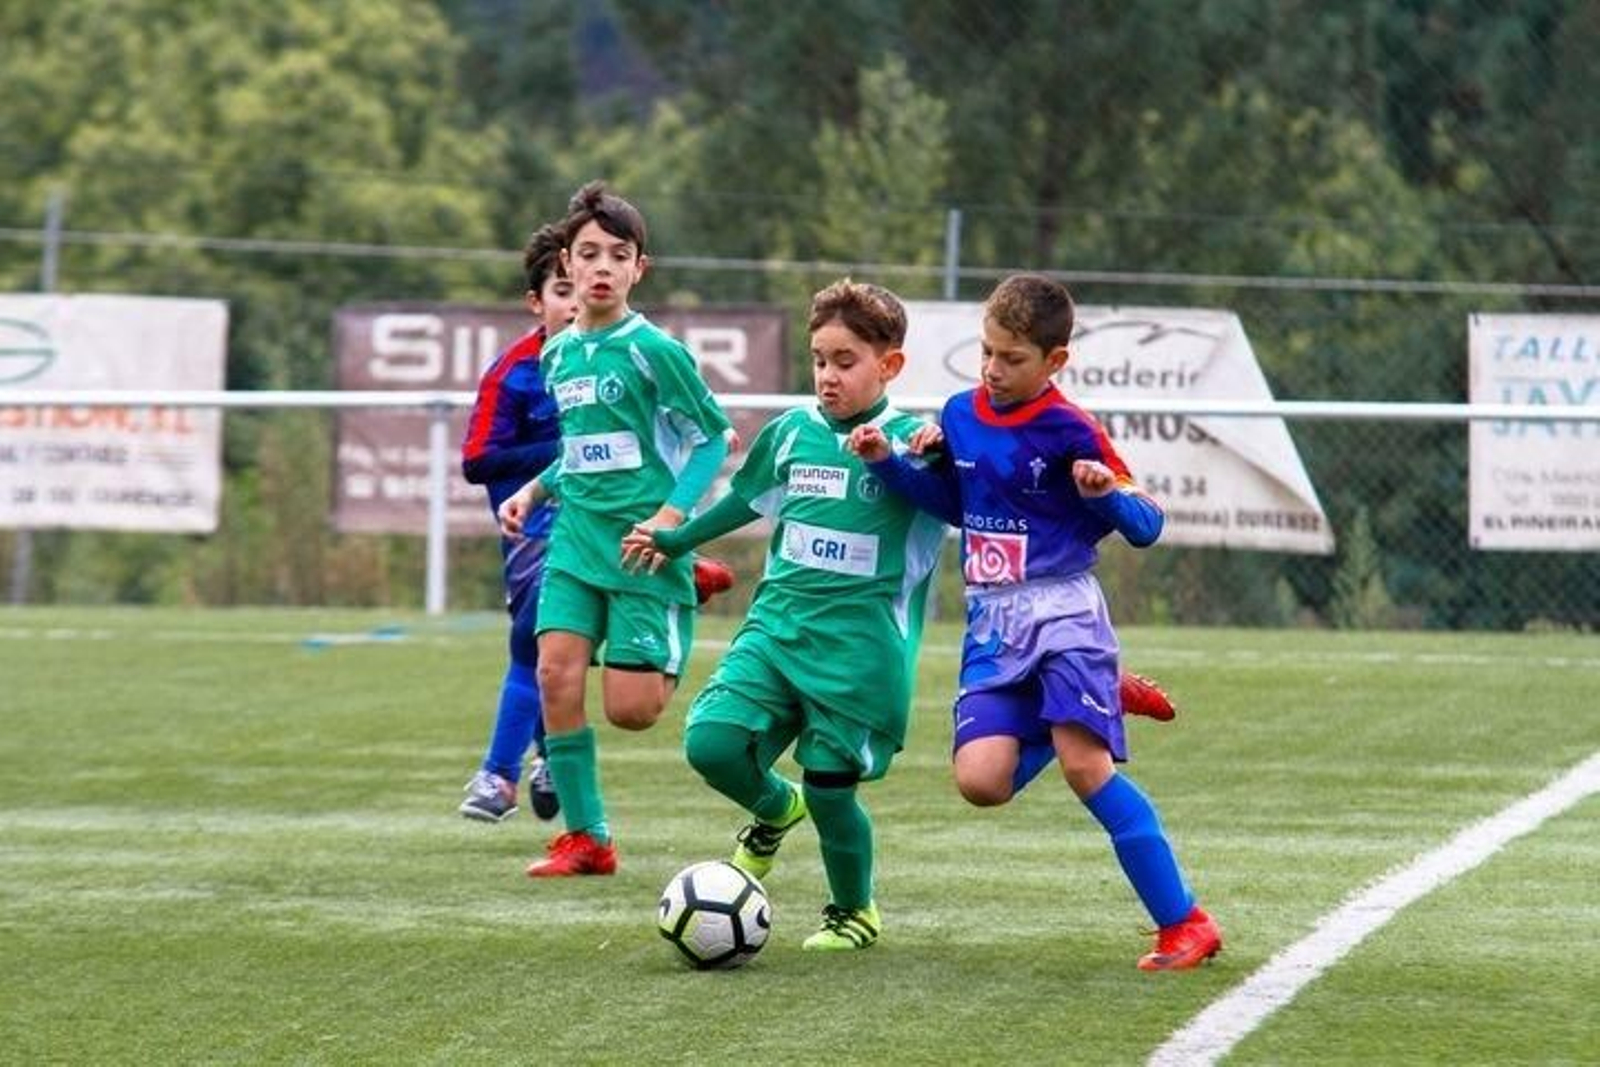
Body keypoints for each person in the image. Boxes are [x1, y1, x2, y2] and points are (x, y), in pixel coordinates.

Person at [848, 273, 1222, 971]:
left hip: (1064, 615)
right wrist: (889, 464)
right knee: (981, 781)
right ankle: (1095, 698)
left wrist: (1106, 494)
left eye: (1012, 358)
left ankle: (1185, 922)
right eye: (987, 352)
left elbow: (1147, 525)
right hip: (993, 624)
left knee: (1087, 768)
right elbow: (957, 504)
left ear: (1055, 361)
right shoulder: (960, 412)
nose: (993, 368)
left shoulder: (1070, 428)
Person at [622, 279, 946, 951]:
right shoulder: (793, 432)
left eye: (846, 360)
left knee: (832, 789)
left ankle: (855, 910)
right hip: (775, 631)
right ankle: (774, 806)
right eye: (820, 358)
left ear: (890, 365)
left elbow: (959, 498)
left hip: (859, 652)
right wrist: (676, 535)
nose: (829, 375)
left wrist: (921, 458)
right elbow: (747, 498)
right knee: (709, 742)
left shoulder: (916, 443)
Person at [498, 181, 733, 878]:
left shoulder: (653, 350)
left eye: (618, 254)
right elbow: (583, 447)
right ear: (565, 266)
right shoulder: (558, 353)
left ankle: (685, 578)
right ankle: (588, 838)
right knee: (553, 673)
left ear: (639, 269)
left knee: (632, 711)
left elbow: (713, 440)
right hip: (574, 537)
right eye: (588, 253)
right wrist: (535, 487)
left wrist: (669, 521)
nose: (602, 266)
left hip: (643, 545)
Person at [457, 221, 578, 824]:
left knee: (562, 647)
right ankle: (514, 769)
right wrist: (565, 454)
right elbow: (478, 460)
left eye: (583, 287)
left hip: (604, 524)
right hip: (534, 532)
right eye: (562, 289)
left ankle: (526, 764)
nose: (576, 301)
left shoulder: (625, 361)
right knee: (538, 642)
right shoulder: (514, 373)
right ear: (537, 301)